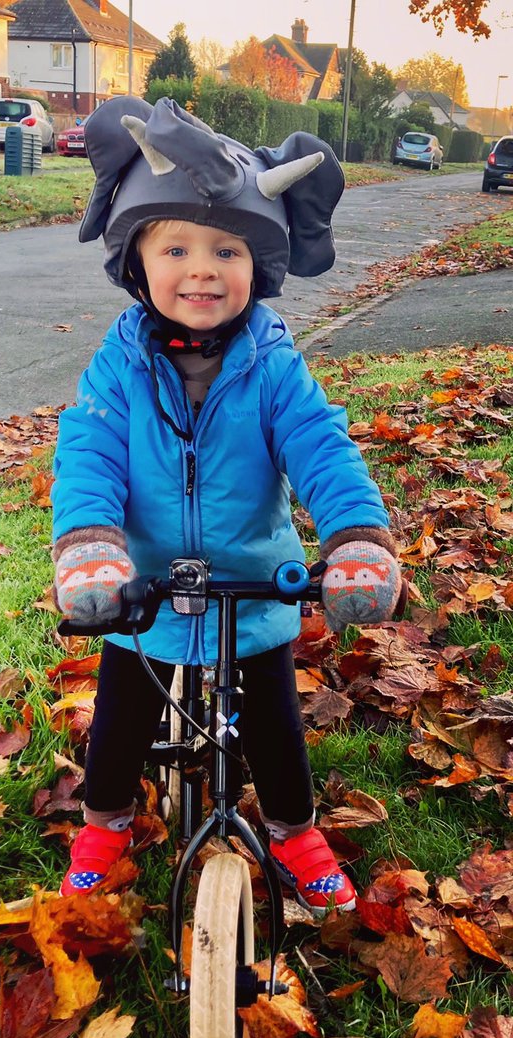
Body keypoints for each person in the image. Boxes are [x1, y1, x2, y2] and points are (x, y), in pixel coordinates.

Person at [51, 97, 404, 912]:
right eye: (175, 247)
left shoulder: (274, 367)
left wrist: (356, 537)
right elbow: (89, 452)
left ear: (260, 266)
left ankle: (292, 829)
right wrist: (90, 542)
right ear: (137, 263)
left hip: (253, 588)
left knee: (276, 727)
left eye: (227, 249)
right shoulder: (119, 369)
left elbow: (320, 445)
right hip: (141, 593)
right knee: (121, 716)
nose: (202, 269)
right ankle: (104, 822)